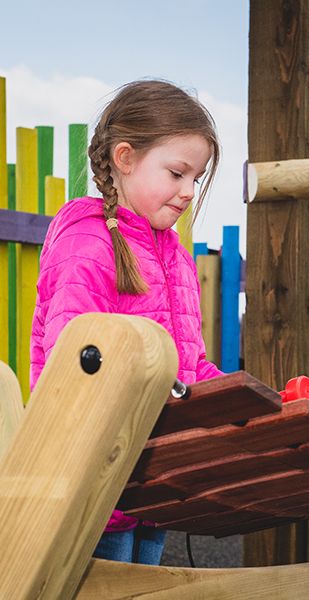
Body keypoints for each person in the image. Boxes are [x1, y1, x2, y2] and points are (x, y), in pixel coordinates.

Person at [30, 79, 223, 565]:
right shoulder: (88, 244)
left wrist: (241, 399)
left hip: (151, 483)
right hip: (96, 483)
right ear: (125, 157)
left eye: (195, 179)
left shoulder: (175, 257)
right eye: (177, 173)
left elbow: (190, 365)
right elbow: (73, 365)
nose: (186, 192)